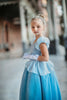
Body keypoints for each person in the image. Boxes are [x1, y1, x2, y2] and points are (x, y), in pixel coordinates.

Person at [19, 14, 62, 100]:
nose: (35, 29)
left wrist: (31, 56)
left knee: (38, 88)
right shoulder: (35, 39)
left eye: (38, 26)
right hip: (34, 66)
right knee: (31, 89)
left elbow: (46, 58)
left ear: (43, 27)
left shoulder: (42, 41)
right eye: (33, 27)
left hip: (40, 68)